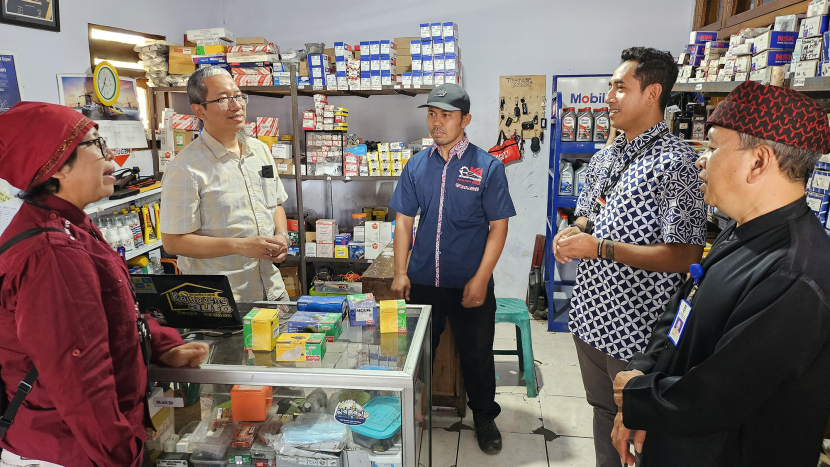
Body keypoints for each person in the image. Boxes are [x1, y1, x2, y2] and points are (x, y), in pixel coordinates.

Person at [612, 81, 830, 467]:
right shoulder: (741, 228)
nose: (700, 160)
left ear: (758, 161)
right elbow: (684, 308)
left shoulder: (795, 274)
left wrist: (641, 397)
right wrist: (645, 372)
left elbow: (719, 394)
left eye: (712, 148)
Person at [0, 102, 208, 467]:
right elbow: (79, 376)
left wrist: (160, 344)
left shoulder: (71, 225)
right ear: (58, 166)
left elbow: (113, 312)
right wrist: (121, 454)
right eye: (96, 144)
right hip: (72, 448)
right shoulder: (51, 252)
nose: (111, 156)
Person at [552, 47, 706, 466]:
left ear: (652, 92)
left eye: (621, 87)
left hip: (636, 329)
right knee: (605, 415)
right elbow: (588, 215)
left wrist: (600, 248)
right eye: (610, 87)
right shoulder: (607, 155)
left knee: (639, 422)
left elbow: (686, 254)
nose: (609, 96)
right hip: (590, 317)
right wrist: (574, 232)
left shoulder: (676, 163)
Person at [390, 84, 516, 454]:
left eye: (446, 115)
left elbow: (499, 227)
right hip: (424, 281)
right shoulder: (416, 165)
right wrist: (401, 271)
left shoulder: (487, 167)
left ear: (466, 120)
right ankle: (413, 411)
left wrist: (480, 279)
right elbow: (402, 222)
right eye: (432, 114)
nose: (437, 122)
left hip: (467, 282)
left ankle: (484, 416)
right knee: (417, 352)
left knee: (477, 354)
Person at [161, 66, 291, 303]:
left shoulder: (260, 150)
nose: (237, 105)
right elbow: (173, 242)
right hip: (221, 301)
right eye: (222, 99)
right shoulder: (185, 168)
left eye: (239, 95)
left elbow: (276, 205)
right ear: (199, 110)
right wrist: (240, 246)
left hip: (272, 291)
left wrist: (282, 236)